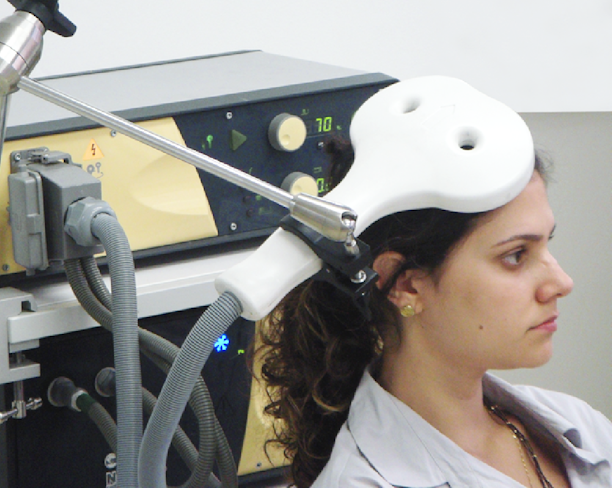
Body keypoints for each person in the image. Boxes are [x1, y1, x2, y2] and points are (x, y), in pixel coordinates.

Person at [256, 137, 612, 487]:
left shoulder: (581, 427)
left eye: (546, 244)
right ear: (406, 285)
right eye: (516, 255)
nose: (562, 282)